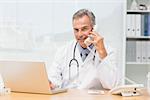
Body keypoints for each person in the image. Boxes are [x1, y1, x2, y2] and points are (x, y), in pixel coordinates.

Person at [48, 9, 119, 90]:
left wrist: (102, 52)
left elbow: (112, 85)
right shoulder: (63, 51)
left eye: (84, 29)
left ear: (94, 29)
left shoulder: (109, 51)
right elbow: (53, 80)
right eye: (76, 30)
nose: (80, 34)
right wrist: (50, 84)